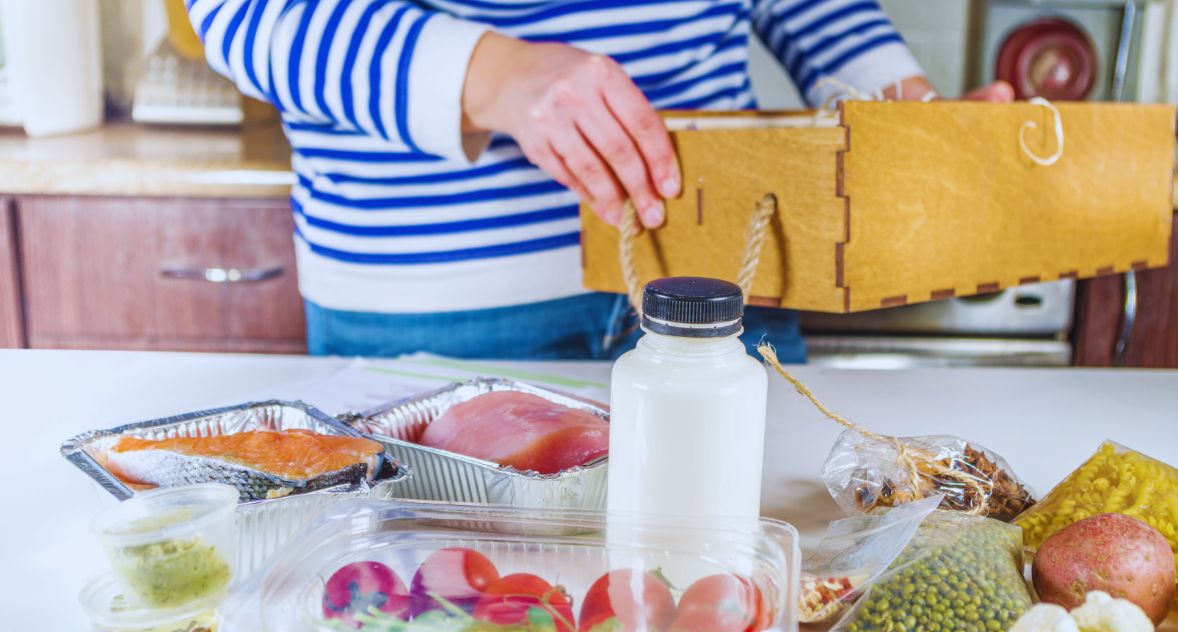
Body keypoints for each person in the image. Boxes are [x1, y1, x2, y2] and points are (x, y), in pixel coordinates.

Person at [187, 0, 1012, 362]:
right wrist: (496, 76)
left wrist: (904, 109)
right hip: (443, 313)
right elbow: (240, 9)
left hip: (727, 284)